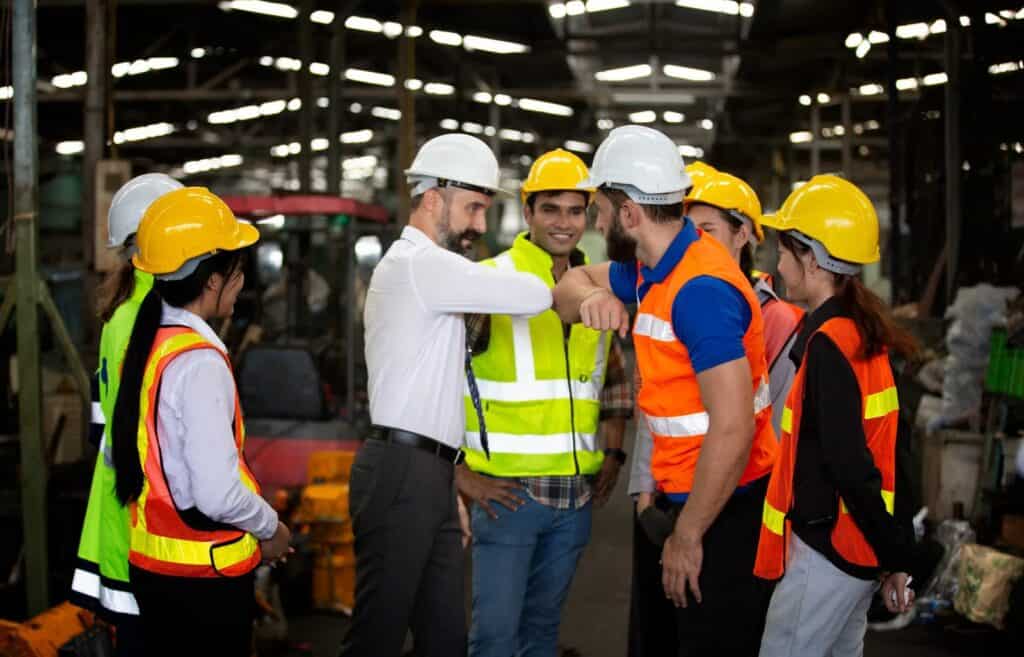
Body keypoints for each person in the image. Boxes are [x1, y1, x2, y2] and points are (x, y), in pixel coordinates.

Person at [553, 124, 778, 656]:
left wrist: (688, 534)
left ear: (629, 213)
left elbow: (732, 425)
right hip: (693, 498)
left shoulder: (700, 291)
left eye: (601, 211)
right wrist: (591, 299)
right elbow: (563, 291)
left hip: (725, 511)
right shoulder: (657, 269)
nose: (596, 222)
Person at [340, 133, 553, 657]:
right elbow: (534, 294)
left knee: (444, 641)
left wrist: (446, 483)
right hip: (401, 473)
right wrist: (582, 280)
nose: (480, 225)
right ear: (433, 198)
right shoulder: (420, 264)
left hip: (429, 474)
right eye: (474, 208)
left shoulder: (431, 271)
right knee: (377, 635)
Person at [626, 163, 802, 656]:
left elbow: (773, 424)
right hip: (672, 495)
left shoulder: (775, 317)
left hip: (737, 500)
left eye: (705, 230)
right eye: (685, 227)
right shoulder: (670, 289)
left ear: (744, 234)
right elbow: (661, 411)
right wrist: (645, 490)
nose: (691, 239)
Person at [462, 149, 632, 657]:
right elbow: (438, 380)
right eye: (551, 209)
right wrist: (458, 475)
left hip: (574, 499)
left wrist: (614, 455)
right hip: (508, 496)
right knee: (494, 638)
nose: (564, 223)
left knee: (541, 635)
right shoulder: (490, 281)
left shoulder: (601, 286)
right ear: (528, 212)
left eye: (576, 210)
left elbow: (614, 381)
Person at [111, 187, 291, 657]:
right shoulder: (199, 361)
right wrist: (271, 528)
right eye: (237, 272)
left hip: (153, 571)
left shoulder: (149, 345)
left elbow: (119, 451)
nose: (241, 283)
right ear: (213, 281)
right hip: (204, 583)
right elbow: (215, 493)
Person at [754, 175, 918, 657]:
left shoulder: (829, 344)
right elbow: (893, 456)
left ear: (812, 256)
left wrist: (896, 556)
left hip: (828, 553)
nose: (778, 265)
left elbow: (850, 466)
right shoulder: (862, 336)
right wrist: (894, 555)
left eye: (785, 250)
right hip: (859, 552)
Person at [70, 173, 183, 656]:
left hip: (126, 516)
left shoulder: (129, 311)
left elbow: (104, 427)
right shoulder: (147, 319)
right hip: (142, 528)